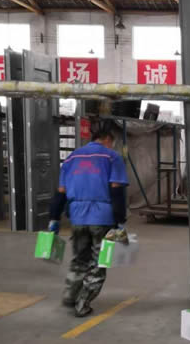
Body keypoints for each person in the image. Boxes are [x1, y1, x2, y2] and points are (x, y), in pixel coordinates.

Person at [48, 122, 129, 318]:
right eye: (112, 143)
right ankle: (83, 303)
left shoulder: (71, 158)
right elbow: (116, 190)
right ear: (107, 140)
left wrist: (54, 218)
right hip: (102, 217)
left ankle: (70, 295)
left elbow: (61, 192)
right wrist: (120, 221)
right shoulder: (112, 157)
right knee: (98, 262)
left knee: (79, 258)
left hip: (77, 217)